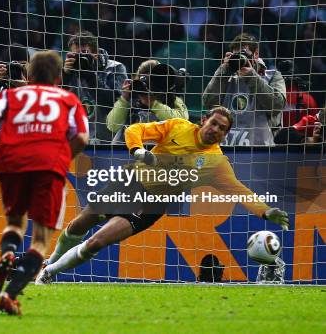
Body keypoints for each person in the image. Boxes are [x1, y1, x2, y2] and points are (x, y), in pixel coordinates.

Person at [36, 106, 290, 284]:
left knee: (96, 242)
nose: (216, 129)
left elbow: (240, 191)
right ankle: (51, 261)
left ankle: (49, 273)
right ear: (204, 120)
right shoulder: (176, 127)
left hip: (152, 204)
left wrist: (265, 211)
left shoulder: (216, 163)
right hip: (129, 181)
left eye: (222, 129)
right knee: (80, 223)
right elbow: (134, 129)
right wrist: (137, 151)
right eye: (214, 123)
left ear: (225, 135)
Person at [0, 50, 89, 315]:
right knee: (41, 240)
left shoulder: (12, 95)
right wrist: (62, 156)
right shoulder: (68, 99)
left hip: (11, 163)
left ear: (29, 75)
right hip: (47, 164)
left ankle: (7, 253)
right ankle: (10, 294)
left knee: (14, 222)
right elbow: (82, 137)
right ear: (58, 77)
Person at [202, 33, 286, 146]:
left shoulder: (272, 76)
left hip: (261, 151)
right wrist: (222, 72)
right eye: (236, 55)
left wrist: (251, 76)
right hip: (226, 149)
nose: (240, 59)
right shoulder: (226, 77)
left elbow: (276, 106)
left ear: (256, 54)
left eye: (244, 54)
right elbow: (208, 103)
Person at [63, 31, 127, 143]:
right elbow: (59, 105)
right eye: (76, 55)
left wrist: (90, 76)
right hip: (79, 142)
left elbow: (115, 105)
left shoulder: (115, 68)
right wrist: (65, 76)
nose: (80, 58)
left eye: (84, 53)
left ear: (96, 53)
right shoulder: (70, 72)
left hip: (110, 143)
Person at [106, 59, 188, 141]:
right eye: (145, 80)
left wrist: (153, 104)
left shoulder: (170, 97)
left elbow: (182, 122)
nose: (149, 85)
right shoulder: (133, 95)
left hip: (160, 148)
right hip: (129, 146)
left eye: (152, 80)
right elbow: (112, 126)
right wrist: (124, 99)